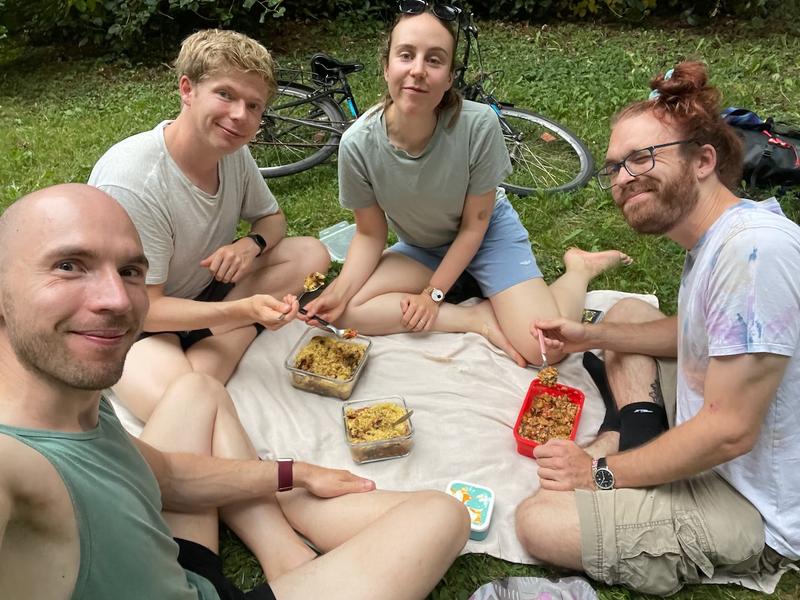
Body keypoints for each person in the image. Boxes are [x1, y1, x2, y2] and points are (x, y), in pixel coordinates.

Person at [0, 183, 470, 600]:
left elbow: (167, 478)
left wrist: (296, 474)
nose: (117, 299)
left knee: (197, 389)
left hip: (178, 567)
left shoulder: (75, 403)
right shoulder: (13, 462)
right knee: (441, 516)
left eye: (129, 271)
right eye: (68, 266)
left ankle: (283, 550)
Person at [515, 62, 800, 595]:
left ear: (704, 161)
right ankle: (637, 439)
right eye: (615, 167)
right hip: (717, 428)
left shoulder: (754, 252)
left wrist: (597, 475)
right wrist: (592, 337)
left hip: (754, 500)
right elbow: (694, 334)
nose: (623, 179)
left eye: (643, 158)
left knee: (541, 520)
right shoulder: (717, 239)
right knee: (622, 315)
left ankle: (624, 457)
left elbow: (730, 431)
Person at [302, 3, 631, 368]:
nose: (417, 71)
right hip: (425, 247)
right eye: (406, 55)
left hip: (489, 236)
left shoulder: (477, 126)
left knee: (547, 350)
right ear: (386, 66)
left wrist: (433, 294)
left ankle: (579, 269)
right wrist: (339, 292)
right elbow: (369, 235)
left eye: (434, 60)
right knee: (346, 312)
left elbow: (475, 225)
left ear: (448, 77)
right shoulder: (357, 144)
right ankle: (477, 319)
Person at [88, 29, 331, 422]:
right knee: (178, 408)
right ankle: (232, 338)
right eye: (226, 95)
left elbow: (272, 219)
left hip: (201, 292)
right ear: (187, 89)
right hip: (134, 321)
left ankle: (215, 344)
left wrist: (250, 244)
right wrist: (243, 312)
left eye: (254, 106)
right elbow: (145, 309)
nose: (240, 115)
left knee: (310, 254)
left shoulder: (231, 151)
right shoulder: (136, 181)